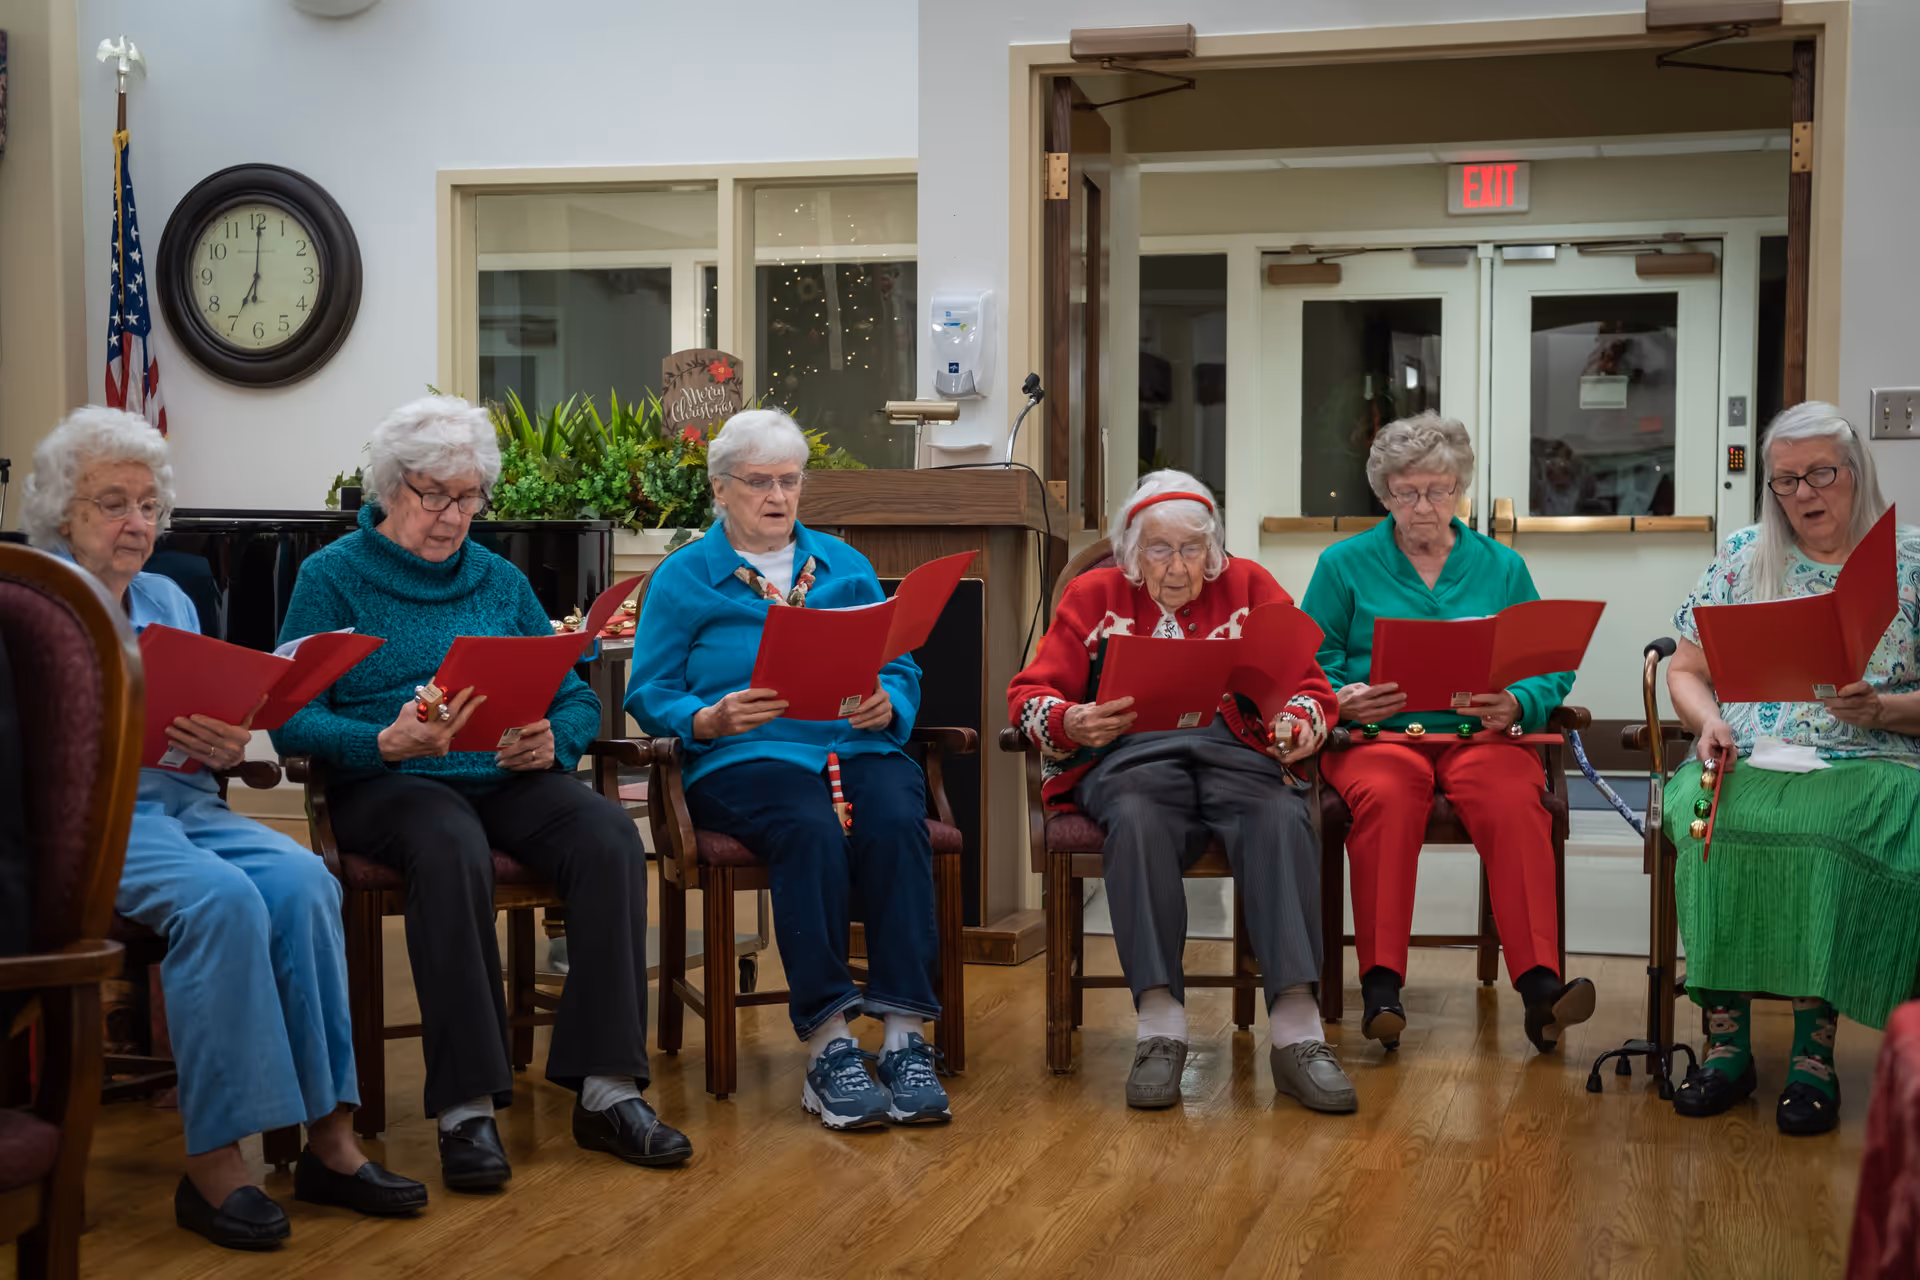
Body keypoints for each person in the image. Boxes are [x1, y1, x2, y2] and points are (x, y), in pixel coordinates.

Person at [22, 407, 427, 1250]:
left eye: (147, 505)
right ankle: (215, 1165)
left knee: (307, 882)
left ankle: (331, 1141)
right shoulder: (33, 601)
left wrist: (234, 736)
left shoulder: (170, 593)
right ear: (64, 511)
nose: (136, 525)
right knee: (221, 903)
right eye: (110, 503)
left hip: (187, 800)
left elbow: (214, 720)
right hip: (92, 819)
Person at [272, 395, 691, 1184]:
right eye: (437, 495)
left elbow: (571, 692)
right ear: (390, 489)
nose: (455, 515)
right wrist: (381, 739)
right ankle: (466, 1110)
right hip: (386, 783)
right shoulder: (330, 578)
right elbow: (290, 721)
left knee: (606, 835)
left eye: (469, 497)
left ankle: (605, 1090)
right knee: (448, 842)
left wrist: (555, 737)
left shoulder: (498, 579)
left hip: (501, 773)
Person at [625, 409, 950, 1131]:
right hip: (748, 756)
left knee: (899, 820)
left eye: (790, 481)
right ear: (719, 489)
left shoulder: (844, 565)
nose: (778, 496)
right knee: (807, 828)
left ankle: (903, 1036)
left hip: (853, 745)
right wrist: (706, 719)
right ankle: (830, 1045)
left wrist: (886, 701)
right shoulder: (683, 578)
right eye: (759, 482)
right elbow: (648, 692)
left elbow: (897, 662)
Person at [1007, 470, 1352, 1114]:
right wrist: (1071, 720)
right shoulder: (1092, 595)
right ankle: (1160, 1027)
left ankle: (1298, 1033)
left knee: (1279, 812)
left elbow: (1311, 684)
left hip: (1236, 752)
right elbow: (1031, 693)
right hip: (1131, 756)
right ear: (1131, 553)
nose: (1176, 566)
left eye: (1192, 549)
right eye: (1159, 549)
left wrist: (1298, 721)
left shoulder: (1250, 586)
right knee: (1136, 818)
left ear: (1212, 549)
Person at [1299, 412, 1596, 1057]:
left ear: (1460, 487)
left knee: (1515, 803)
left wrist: (1518, 700)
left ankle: (1541, 990)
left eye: (1438, 490)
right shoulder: (1343, 564)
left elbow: (1550, 664)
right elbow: (1306, 663)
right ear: (1383, 495)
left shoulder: (1502, 566)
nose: (1424, 506)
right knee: (1385, 799)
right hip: (1381, 741)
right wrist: (1341, 700)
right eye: (1406, 492)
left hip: (1480, 738)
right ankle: (1381, 989)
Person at [1663, 402, 1920, 1135]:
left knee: (1831, 829)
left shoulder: (1912, 560)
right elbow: (1686, 669)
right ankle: (1726, 1046)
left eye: (1821, 475)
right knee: (1717, 824)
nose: (1805, 494)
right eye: (1785, 481)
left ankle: (1814, 1053)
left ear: (1856, 471)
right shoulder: (1746, 556)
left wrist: (1885, 711)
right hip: (1750, 751)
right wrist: (1706, 719)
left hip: (1872, 756)